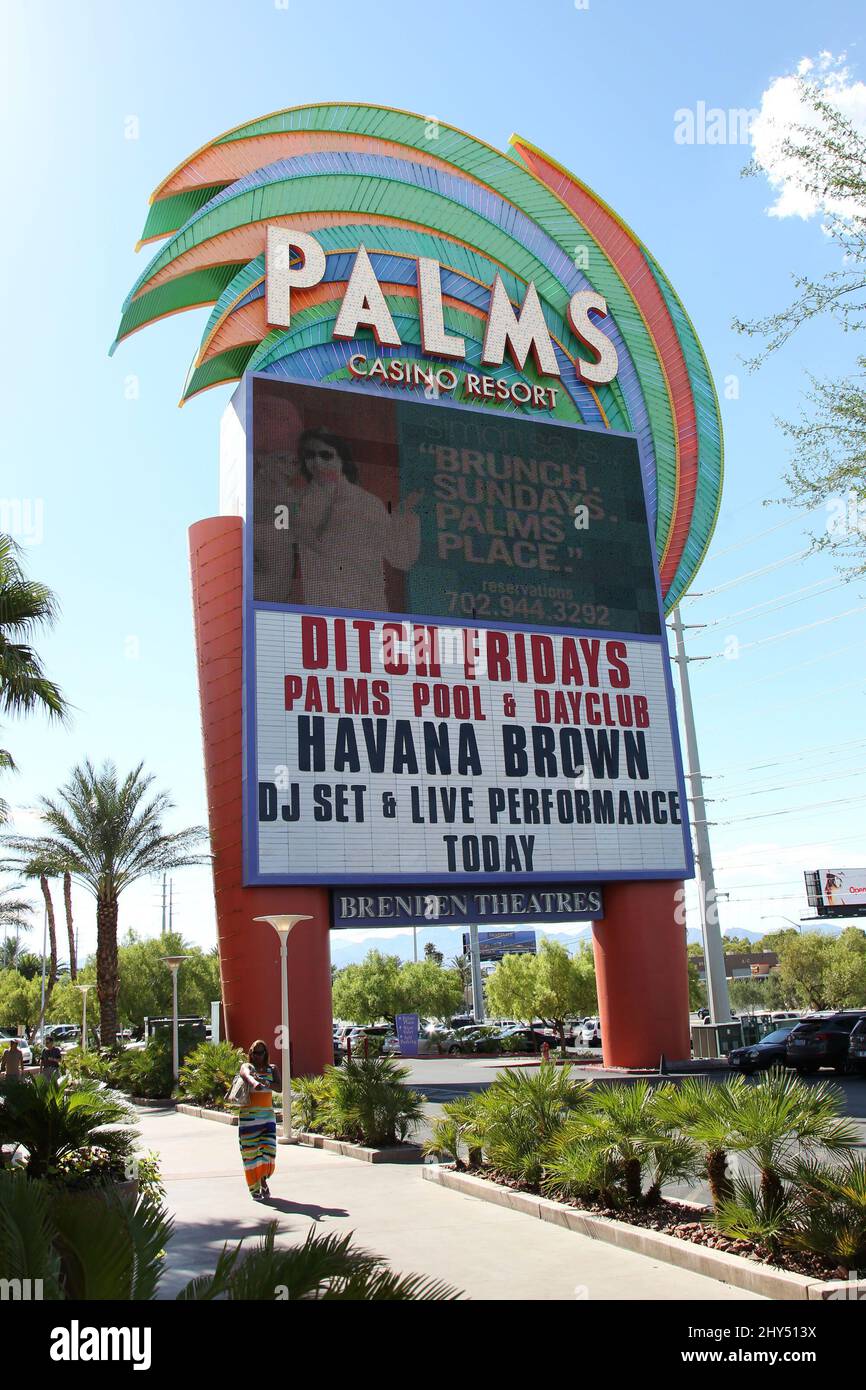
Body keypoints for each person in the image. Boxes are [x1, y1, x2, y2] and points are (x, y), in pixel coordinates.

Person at [289, 428, 422, 611]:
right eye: (310, 455)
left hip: (369, 613)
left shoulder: (367, 503)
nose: (317, 462)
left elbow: (401, 559)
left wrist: (404, 519)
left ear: (341, 460)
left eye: (326, 455)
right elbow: (321, 546)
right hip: (323, 615)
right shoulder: (297, 502)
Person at [237, 1040, 281, 1201]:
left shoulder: (272, 1068)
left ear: (266, 1053)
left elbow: (279, 1087)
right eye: (255, 1053)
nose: (258, 1056)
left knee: (268, 1151)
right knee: (251, 1154)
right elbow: (245, 1075)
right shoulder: (247, 1067)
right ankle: (254, 1188)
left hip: (267, 1117)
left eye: (261, 1052)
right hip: (249, 1117)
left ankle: (262, 1179)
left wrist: (265, 1082)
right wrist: (254, 1082)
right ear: (251, 1053)